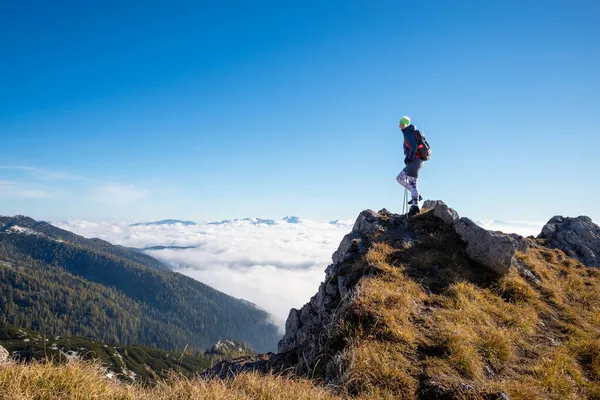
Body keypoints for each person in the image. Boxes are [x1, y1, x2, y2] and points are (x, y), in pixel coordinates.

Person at [396, 116, 424, 216]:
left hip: (414, 161)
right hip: (415, 160)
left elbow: (414, 146)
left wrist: (409, 158)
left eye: (402, 125)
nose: (401, 127)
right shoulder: (410, 132)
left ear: (406, 125)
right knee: (400, 178)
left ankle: (415, 207)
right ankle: (416, 196)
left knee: (413, 183)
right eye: (400, 125)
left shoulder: (408, 133)